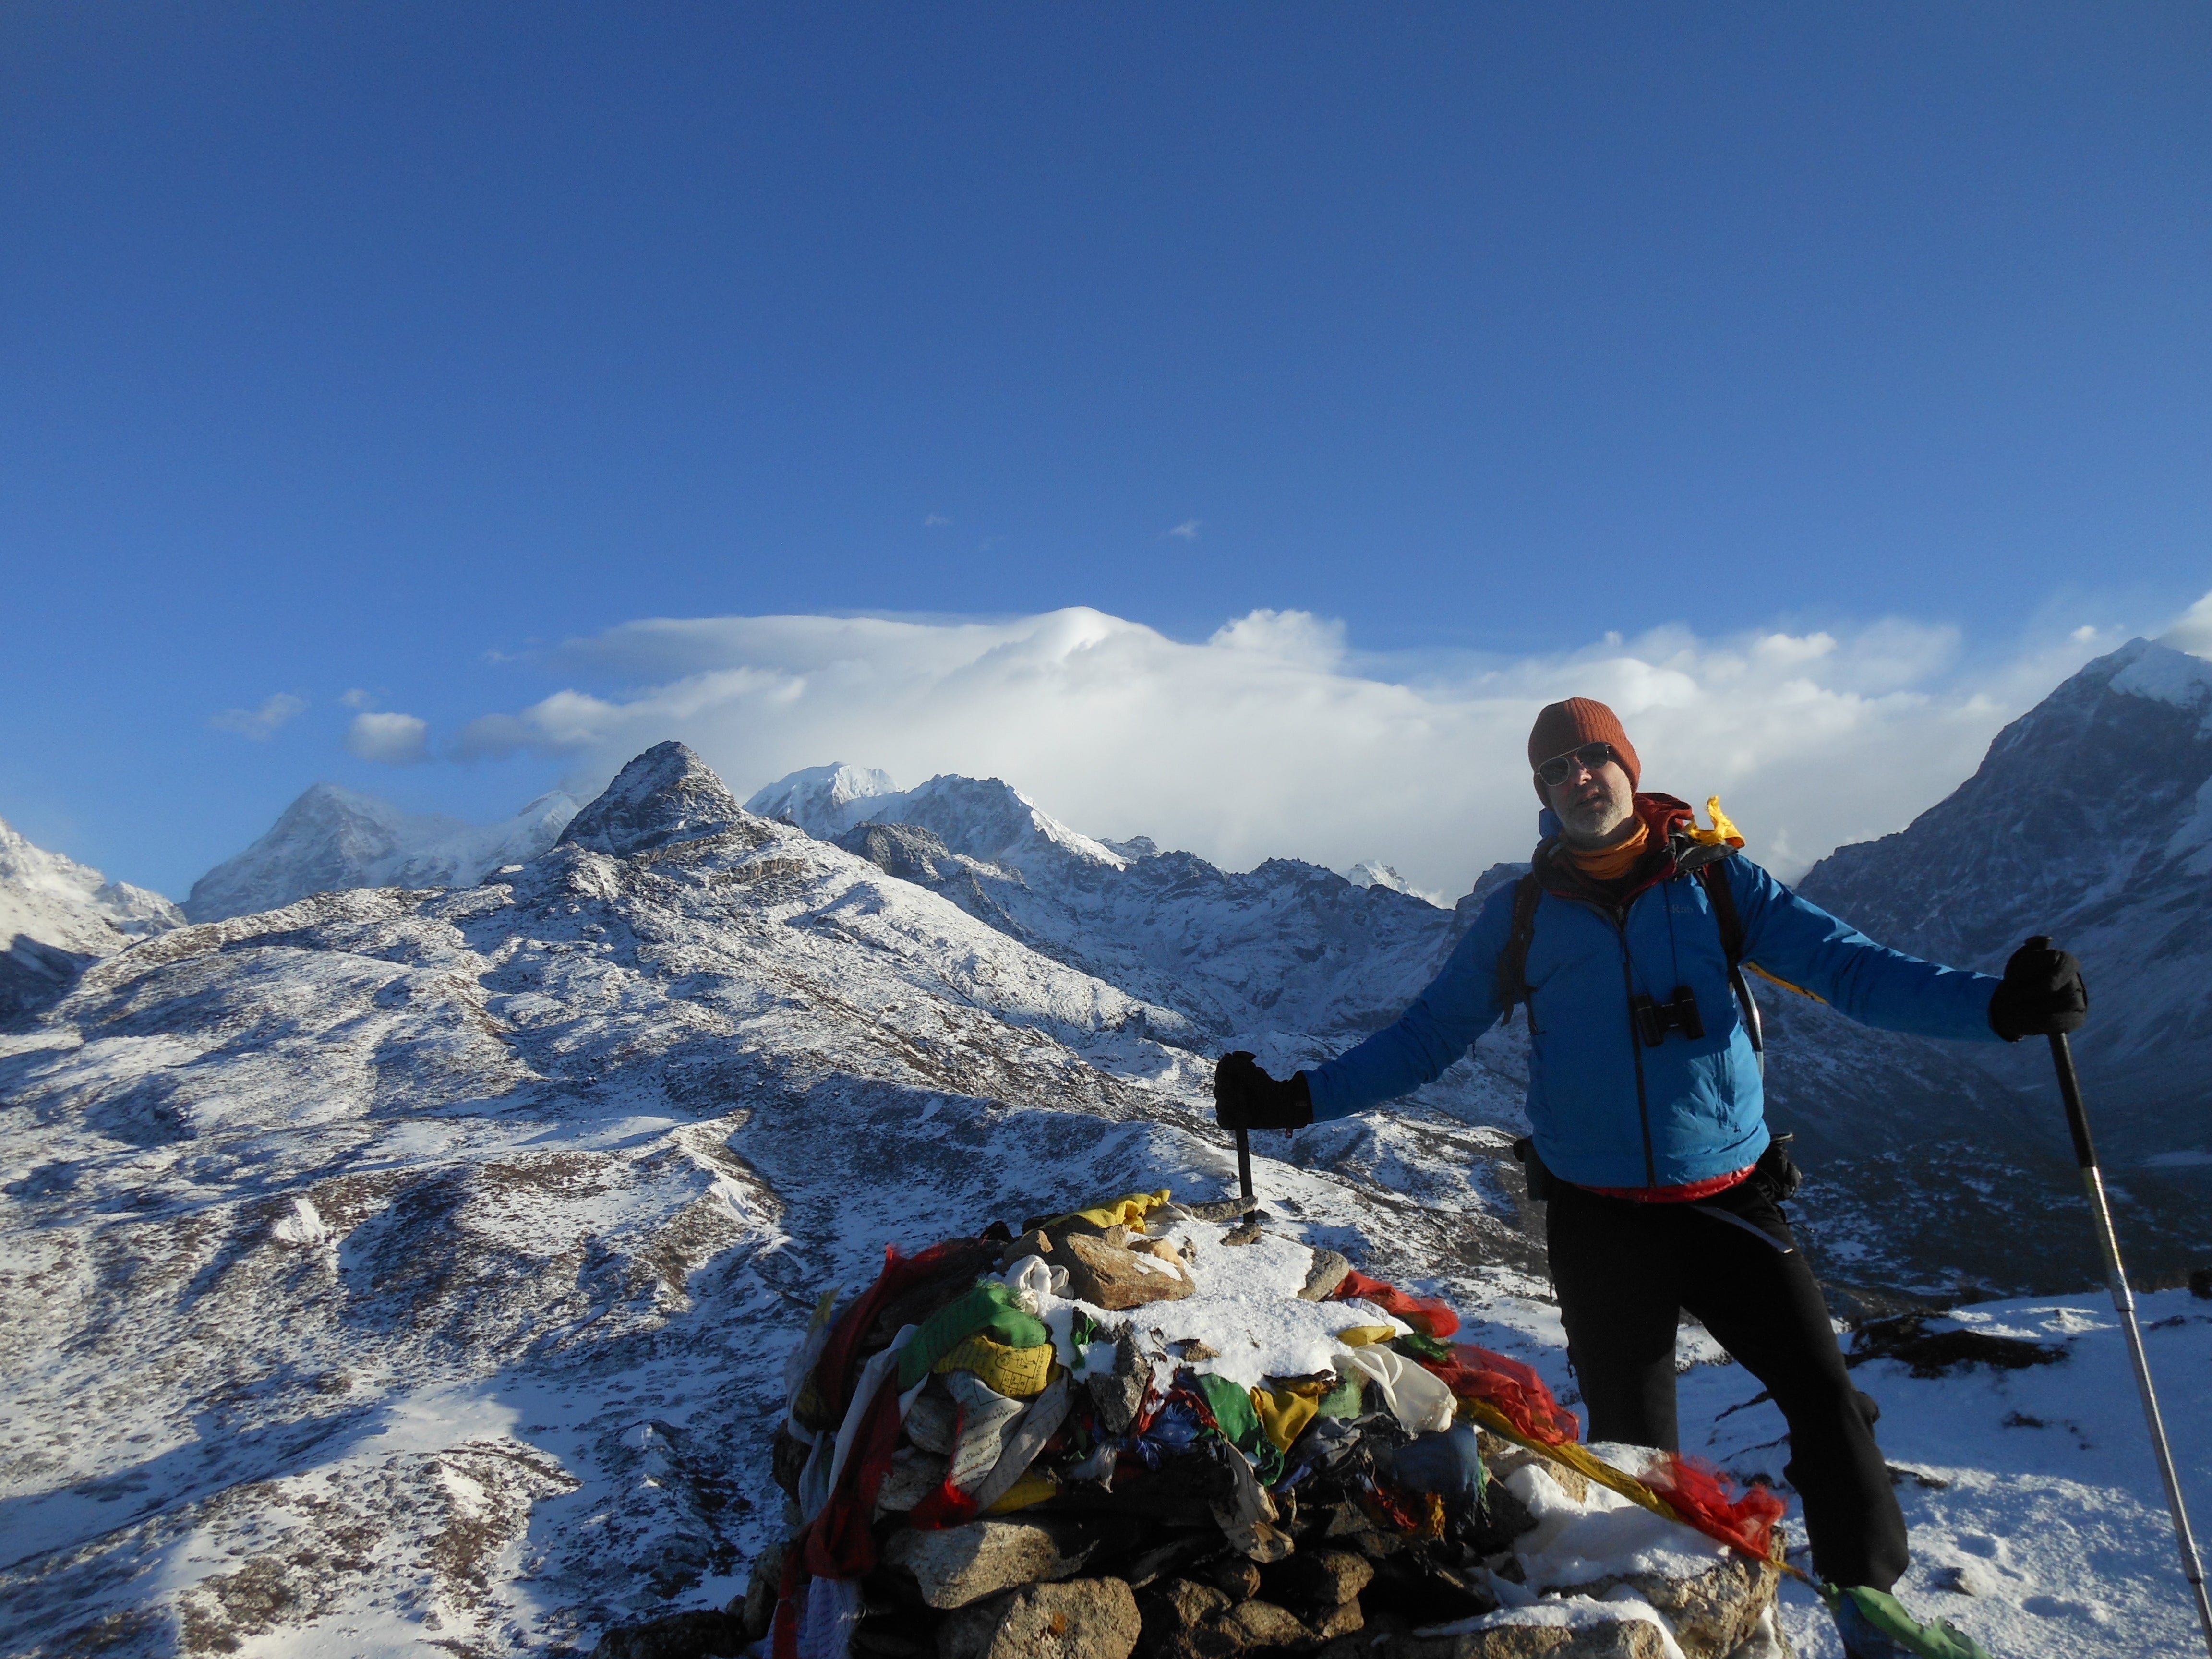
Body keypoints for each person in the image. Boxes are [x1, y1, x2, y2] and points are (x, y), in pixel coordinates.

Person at [1212, 696, 2087, 1614]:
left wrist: (1999, 1008)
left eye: (1595, 757)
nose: (1579, 777)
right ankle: (1664, 1623)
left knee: (1828, 1408)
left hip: (1729, 1200)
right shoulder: (1523, 915)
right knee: (1633, 1457)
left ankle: (1869, 1610)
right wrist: (1294, 1103)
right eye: (1557, 769)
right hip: (1601, 1223)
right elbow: (1428, 1036)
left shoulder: (1719, 885)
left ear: (1630, 765)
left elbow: (1853, 970)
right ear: (1542, 793)